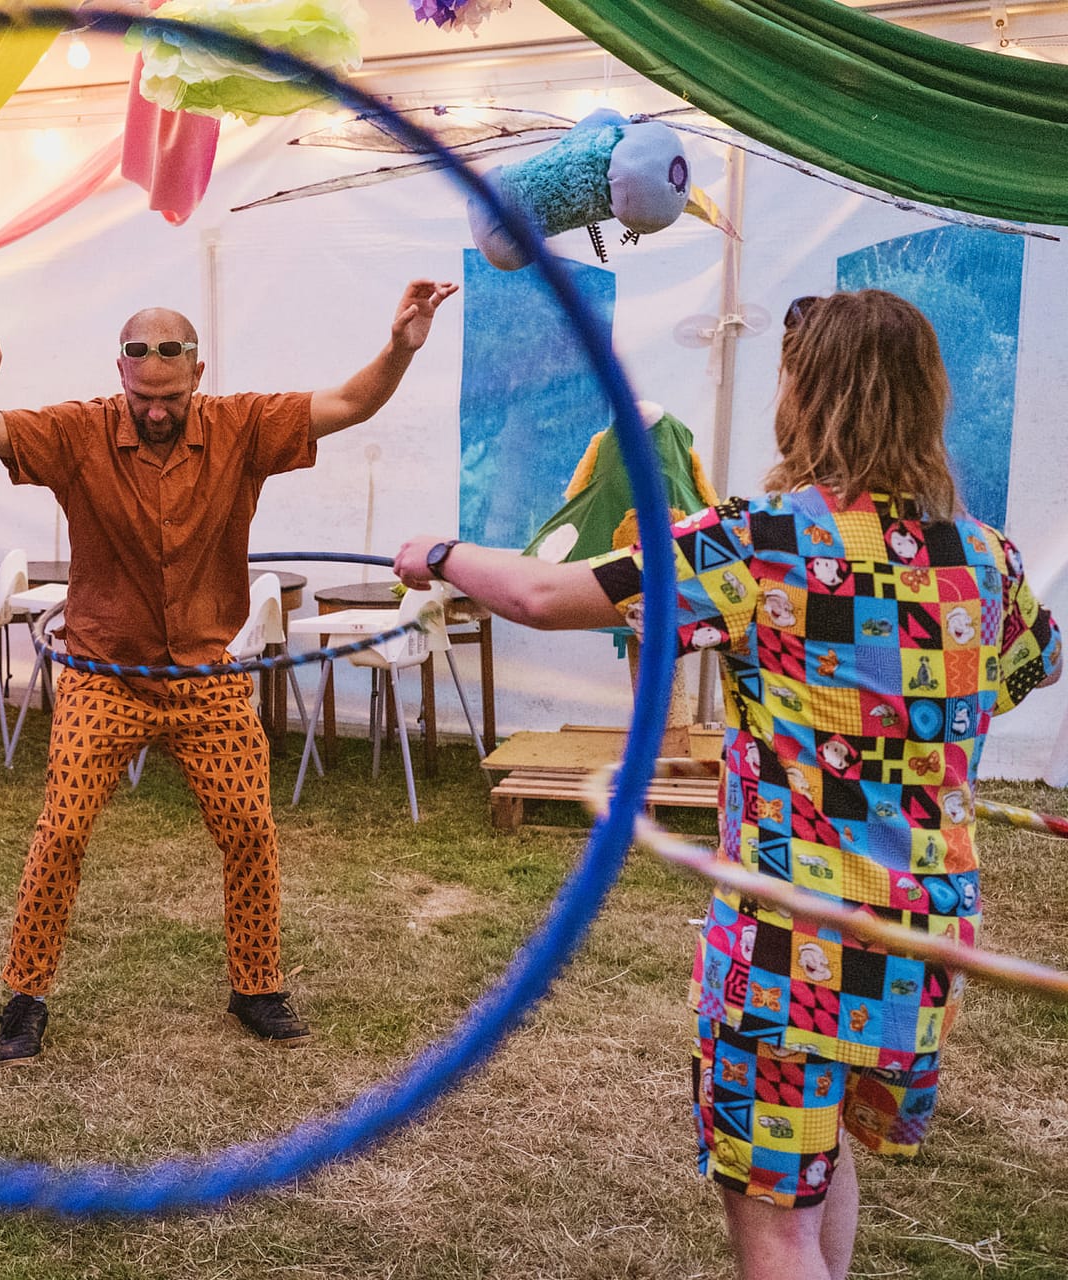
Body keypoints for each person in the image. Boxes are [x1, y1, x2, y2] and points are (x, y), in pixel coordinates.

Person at [391, 289, 1061, 1280]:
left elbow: (542, 593)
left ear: (808, 394)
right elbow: (1035, 664)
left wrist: (441, 555)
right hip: (922, 936)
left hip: (794, 940)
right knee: (817, 1162)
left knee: (775, 1223)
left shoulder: (759, 543)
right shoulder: (989, 558)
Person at [0, 279, 460, 1064]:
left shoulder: (241, 426)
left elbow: (351, 404)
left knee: (250, 828)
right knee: (63, 831)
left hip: (205, 677)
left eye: (172, 397)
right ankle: (26, 995)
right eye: (142, 397)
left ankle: (256, 987)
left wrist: (399, 347)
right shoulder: (78, 431)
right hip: (103, 674)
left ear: (198, 374)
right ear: (121, 374)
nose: (157, 411)